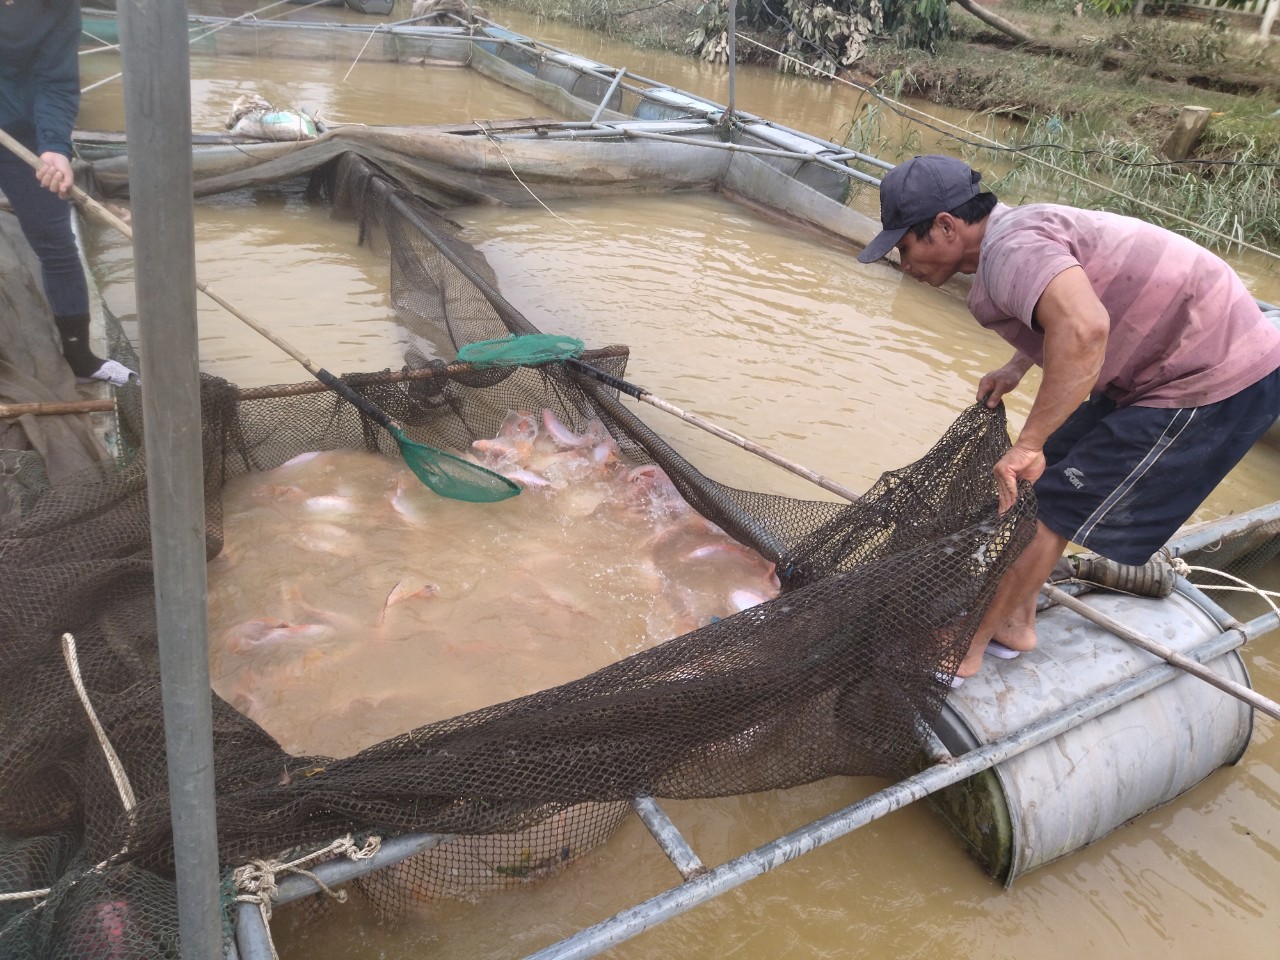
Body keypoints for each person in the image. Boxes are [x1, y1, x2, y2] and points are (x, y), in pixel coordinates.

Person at [857, 154, 1280, 682]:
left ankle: (971, 644)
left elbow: (1083, 331)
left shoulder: (1011, 248)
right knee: (1044, 481)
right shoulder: (1011, 238)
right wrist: (1016, 367)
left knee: (1051, 498)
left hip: (1208, 374)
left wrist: (1029, 442)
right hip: (1159, 361)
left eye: (905, 247)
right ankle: (1015, 619)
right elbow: (1061, 313)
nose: (905, 264)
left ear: (945, 226)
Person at [1, 0, 135, 387]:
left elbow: (55, 82)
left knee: (56, 243)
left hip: (23, 133)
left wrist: (54, 147)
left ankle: (79, 357)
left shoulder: (59, 8)